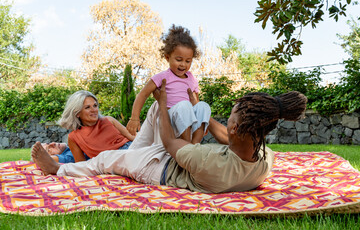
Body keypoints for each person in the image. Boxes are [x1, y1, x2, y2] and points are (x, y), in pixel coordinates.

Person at [31, 80, 307, 193]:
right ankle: (164, 109)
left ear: (236, 128)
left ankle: (58, 168)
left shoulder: (205, 160)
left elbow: (170, 143)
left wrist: (164, 102)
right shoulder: (263, 157)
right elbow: (227, 136)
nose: (227, 122)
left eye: (231, 118)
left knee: (106, 159)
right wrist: (201, 110)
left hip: (158, 166)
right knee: (155, 112)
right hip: (162, 152)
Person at [126, 25, 211, 144]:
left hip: (188, 117)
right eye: (179, 59)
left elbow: (195, 100)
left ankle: (195, 144)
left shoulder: (191, 78)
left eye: (188, 61)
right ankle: (186, 145)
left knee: (203, 106)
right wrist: (134, 118)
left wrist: (201, 121)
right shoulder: (163, 76)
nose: (183, 65)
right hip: (170, 117)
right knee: (184, 106)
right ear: (167, 57)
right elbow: (143, 94)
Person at [57, 90, 135, 162]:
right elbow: (81, 164)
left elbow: (132, 136)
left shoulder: (109, 120)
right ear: (77, 113)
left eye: (95, 105)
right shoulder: (73, 137)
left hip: (131, 149)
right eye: (87, 107)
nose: (94, 110)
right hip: (111, 162)